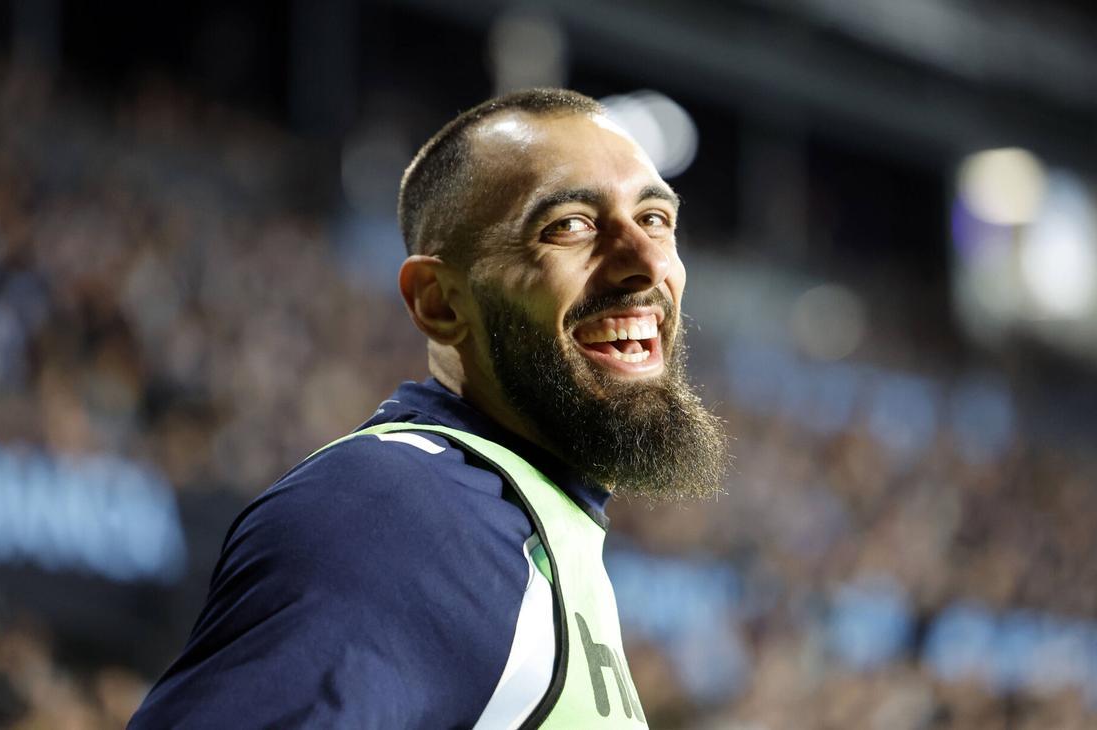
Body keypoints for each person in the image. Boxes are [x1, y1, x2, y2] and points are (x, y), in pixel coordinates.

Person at [129, 88, 728, 729]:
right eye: (570, 225)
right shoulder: (396, 511)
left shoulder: (522, 521)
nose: (646, 263)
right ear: (439, 302)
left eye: (655, 218)